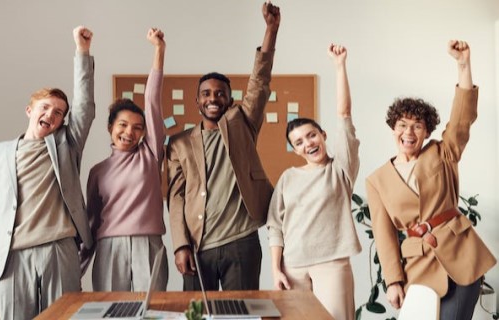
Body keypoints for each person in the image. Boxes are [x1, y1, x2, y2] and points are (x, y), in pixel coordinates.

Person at [0, 26, 95, 319]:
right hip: (13, 255)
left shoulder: (66, 146)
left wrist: (82, 52)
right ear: (29, 110)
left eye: (59, 112)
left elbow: (84, 107)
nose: (51, 114)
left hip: (59, 250)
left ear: (61, 122)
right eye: (45, 107)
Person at [365, 40, 496, 320]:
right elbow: (385, 234)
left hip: (461, 256)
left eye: (417, 126)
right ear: (393, 129)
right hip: (418, 266)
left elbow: (462, 120)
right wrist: (393, 280)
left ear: (426, 132)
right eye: (402, 124)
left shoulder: (441, 152)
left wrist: (463, 65)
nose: (408, 132)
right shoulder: (376, 180)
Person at [166, 1, 280, 291]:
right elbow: (176, 198)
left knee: (239, 314)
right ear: (197, 101)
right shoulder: (179, 143)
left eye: (220, 94)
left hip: (241, 242)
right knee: (195, 313)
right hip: (196, 244)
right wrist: (180, 245)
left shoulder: (242, 123)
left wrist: (271, 30)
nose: (212, 98)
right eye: (206, 93)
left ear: (230, 100)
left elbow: (260, 81)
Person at [266, 44, 361, 320]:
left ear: (323, 135)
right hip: (293, 267)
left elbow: (344, 115)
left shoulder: (340, 170)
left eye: (311, 135)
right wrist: (276, 269)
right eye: (299, 142)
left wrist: (339, 66)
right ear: (295, 150)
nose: (307, 143)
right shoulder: (288, 178)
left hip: (331, 265)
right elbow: (275, 226)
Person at [79, 28, 168, 292]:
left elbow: (152, 100)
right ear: (110, 127)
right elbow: (91, 222)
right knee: (110, 312)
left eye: (137, 127)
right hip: (109, 248)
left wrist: (159, 50)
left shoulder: (150, 155)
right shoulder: (97, 172)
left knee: (151, 312)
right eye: (123, 125)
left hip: (148, 245)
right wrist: (77, 269)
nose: (129, 132)